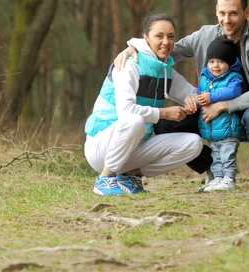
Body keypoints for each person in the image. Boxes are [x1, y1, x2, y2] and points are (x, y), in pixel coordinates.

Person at [115, 0, 249, 189]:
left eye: (234, 13)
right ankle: (212, 167)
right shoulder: (205, 35)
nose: (227, 20)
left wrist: (222, 105)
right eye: (222, 13)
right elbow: (165, 49)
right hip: (207, 107)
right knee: (164, 124)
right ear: (216, 12)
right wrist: (134, 48)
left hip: (248, 108)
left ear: (246, 12)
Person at [84, 14, 202, 196]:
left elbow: (193, 93)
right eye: (159, 36)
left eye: (171, 36)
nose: (166, 41)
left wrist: (192, 98)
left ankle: (131, 175)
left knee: (193, 143)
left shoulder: (166, 72)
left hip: (134, 147)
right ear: (146, 38)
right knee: (134, 121)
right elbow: (126, 112)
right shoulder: (129, 65)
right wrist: (163, 113)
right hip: (101, 147)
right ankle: (105, 179)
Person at [195, 38, 245, 192]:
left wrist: (211, 96)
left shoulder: (233, 78)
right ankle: (217, 179)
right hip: (212, 129)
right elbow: (199, 95)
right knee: (215, 156)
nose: (215, 65)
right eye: (212, 61)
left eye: (221, 62)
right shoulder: (204, 78)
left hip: (228, 128)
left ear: (229, 63)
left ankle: (229, 179)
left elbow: (234, 91)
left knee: (227, 155)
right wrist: (196, 102)